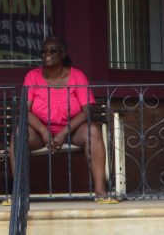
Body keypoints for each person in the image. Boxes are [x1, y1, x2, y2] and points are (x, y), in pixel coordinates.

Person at [11, 36, 115, 203]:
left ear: (63, 54)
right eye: (44, 51)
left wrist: (63, 132)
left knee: (94, 130)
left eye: (53, 51)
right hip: (39, 132)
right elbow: (25, 110)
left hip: (71, 131)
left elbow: (87, 111)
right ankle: (20, 192)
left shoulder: (77, 76)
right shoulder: (33, 76)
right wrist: (44, 131)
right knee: (18, 133)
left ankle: (100, 190)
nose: (47, 54)